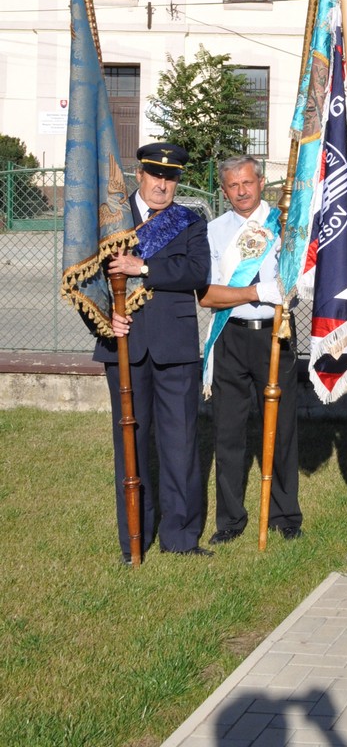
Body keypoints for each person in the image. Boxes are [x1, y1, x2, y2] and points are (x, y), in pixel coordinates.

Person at [104, 143, 211, 560]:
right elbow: (86, 279)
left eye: (171, 178)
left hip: (175, 347)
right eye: (155, 175)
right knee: (129, 444)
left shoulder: (189, 221)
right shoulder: (111, 218)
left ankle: (180, 537)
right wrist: (103, 321)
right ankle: (134, 536)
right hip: (123, 344)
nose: (163, 184)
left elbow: (197, 272)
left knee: (180, 443)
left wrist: (143, 267)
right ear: (139, 175)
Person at [199, 156, 302, 545]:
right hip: (230, 336)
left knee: (281, 428)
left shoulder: (285, 224)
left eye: (247, 183)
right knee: (227, 431)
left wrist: (282, 289)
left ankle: (285, 514)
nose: (241, 191)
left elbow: (299, 281)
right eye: (232, 185)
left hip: (274, 336)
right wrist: (256, 291)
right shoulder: (214, 231)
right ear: (224, 190)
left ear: (260, 183)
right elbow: (208, 295)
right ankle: (230, 520)